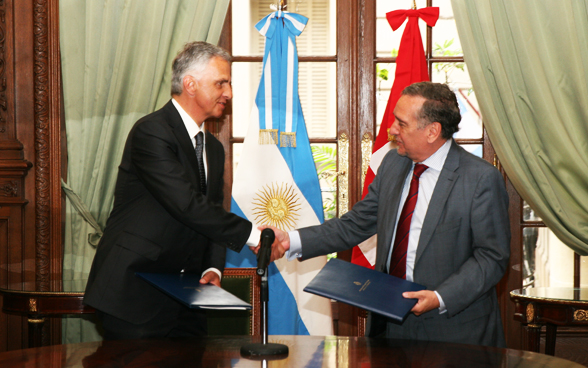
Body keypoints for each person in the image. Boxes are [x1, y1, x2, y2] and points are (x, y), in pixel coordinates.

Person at [259, 82, 510, 347]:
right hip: (389, 325)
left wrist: (439, 297)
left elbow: (491, 257)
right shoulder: (393, 164)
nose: (391, 131)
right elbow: (354, 225)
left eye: (401, 124)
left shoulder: (480, 179)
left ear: (432, 131)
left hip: (453, 331)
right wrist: (290, 241)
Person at [84, 41, 264, 340]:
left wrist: (213, 268)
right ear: (190, 84)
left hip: (189, 298)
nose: (229, 93)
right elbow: (186, 204)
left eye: (229, 84)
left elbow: (212, 211)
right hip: (136, 293)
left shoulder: (214, 149)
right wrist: (255, 235)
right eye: (221, 83)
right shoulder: (151, 131)